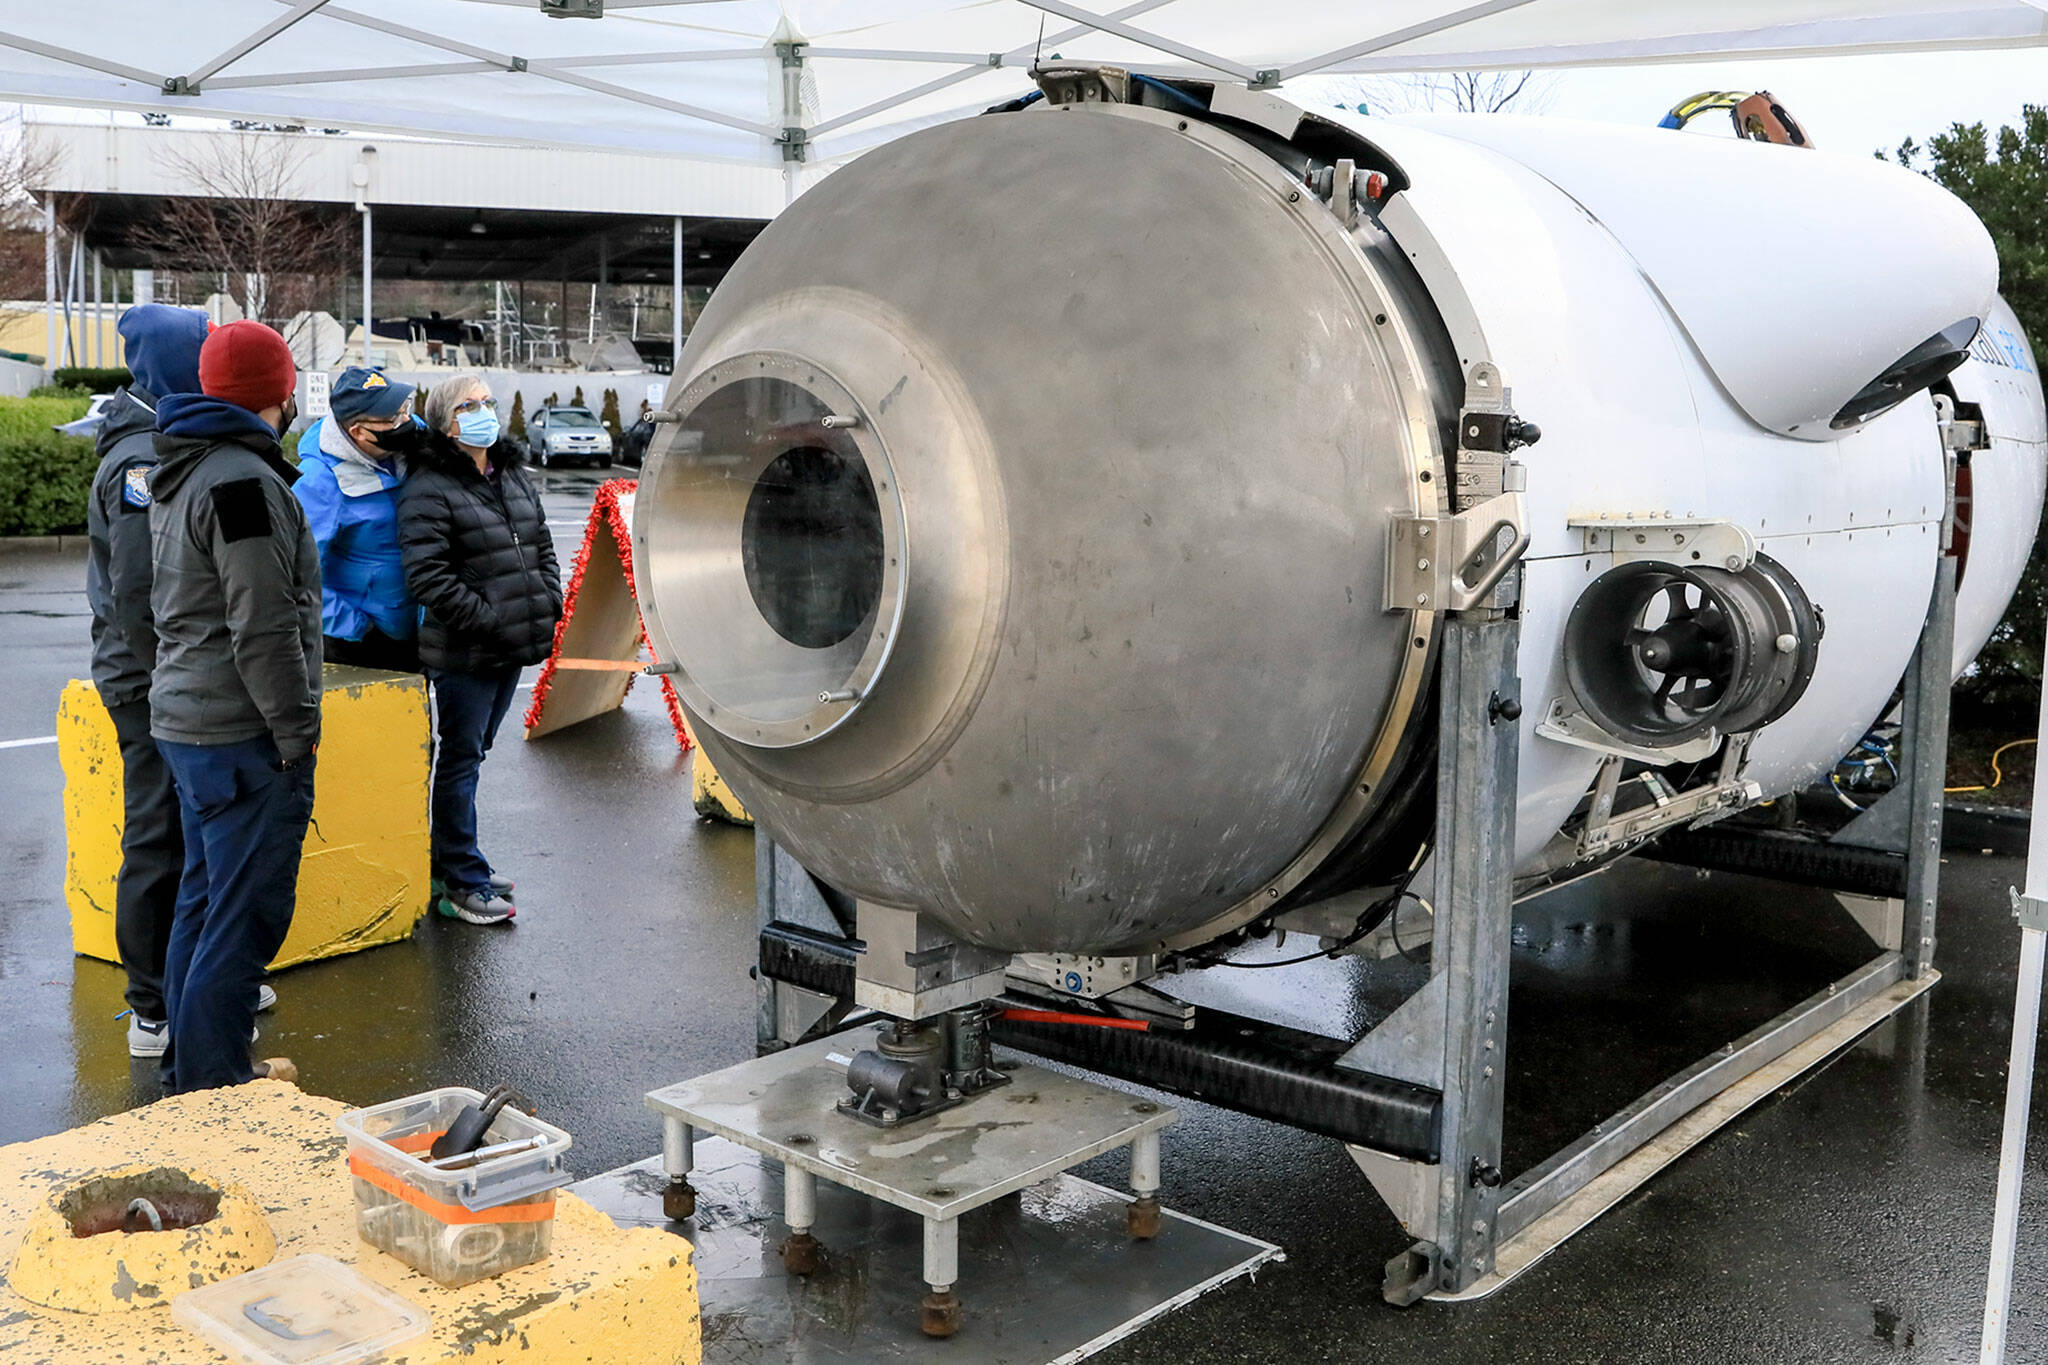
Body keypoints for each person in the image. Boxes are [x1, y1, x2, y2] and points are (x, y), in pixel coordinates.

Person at [86, 304, 276, 1057]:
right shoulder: (138, 458)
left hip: (163, 680)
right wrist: (178, 682)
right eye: (199, 355)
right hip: (148, 684)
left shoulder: (157, 438)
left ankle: (194, 974)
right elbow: (140, 596)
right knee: (160, 835)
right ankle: (151, 1005)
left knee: (194, 836)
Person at [149, 319, 317, 1091]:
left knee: (202, 906)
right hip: (239, 735)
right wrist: (296, 731)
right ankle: (213, 1094)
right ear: (278, 390)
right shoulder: (243, 482)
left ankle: (188, 1075)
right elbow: (263, 622)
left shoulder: (189, 465)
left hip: (192, 725)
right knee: (238, 924)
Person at [399, 373, 561, 925]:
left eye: (488, 401)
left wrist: (549, 600)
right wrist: (490, 621)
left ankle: (459, 859)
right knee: (462, 759)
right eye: (470, 404)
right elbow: (430, 576)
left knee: (477, 754)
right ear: (447, 421)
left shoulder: (510, 472)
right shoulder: (429, 485)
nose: (483, 410)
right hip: (467, 652)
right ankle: (460, 879)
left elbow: (540, 544)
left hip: (510, 644)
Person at [292, 367, 423, 671]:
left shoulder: (409, 444)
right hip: (363, 647)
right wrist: (358, 629)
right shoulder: (319, 484)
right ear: (359, 432)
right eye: (392, 419)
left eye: (404, 410)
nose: (405, 422)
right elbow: (297, 576)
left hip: (418, 632)